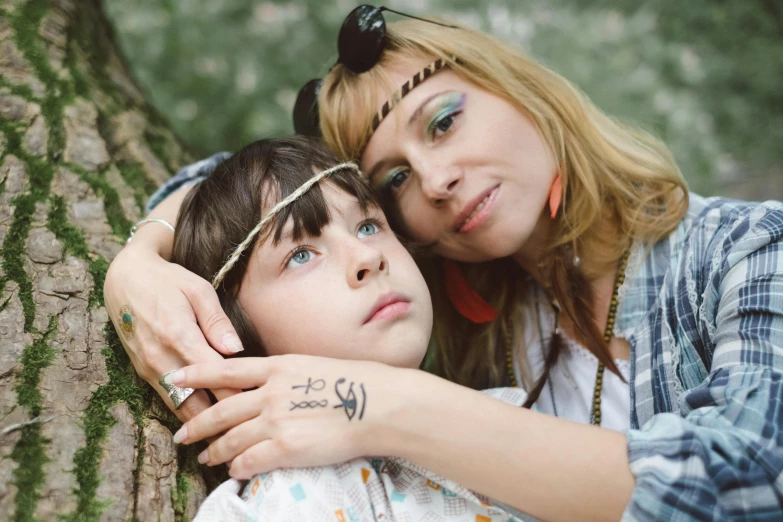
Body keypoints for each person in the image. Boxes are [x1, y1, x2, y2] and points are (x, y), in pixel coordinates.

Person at [104, 6, 783, 521]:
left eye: (443, 121)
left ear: (518, 88)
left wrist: (385, 407)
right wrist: (138, 262)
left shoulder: (746, 249)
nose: (433, 182)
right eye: (392, 181)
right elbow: (249, 193)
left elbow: (754, 478)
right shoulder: (417, 292)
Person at [160, 135, 529, 521]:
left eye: (368, 226)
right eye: (301, 255)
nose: (368, 257)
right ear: (228, 334)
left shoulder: (511, 412)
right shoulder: (300, 497)